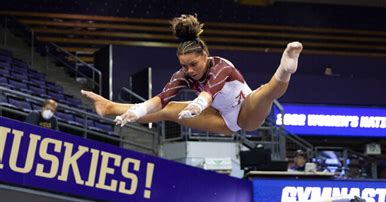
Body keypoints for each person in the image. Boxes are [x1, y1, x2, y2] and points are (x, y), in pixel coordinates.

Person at [81, 14, 303, 135]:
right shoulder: (182, 76)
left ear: (205, 55)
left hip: (246, 112)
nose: (189, 71)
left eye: (193, 64)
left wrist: (196, 106)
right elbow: (160, 99)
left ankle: (286, 66)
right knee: (167, 109)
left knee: (264, 92)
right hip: (223, 120)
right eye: (184, 66)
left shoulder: (221, 66)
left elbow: (208, 93)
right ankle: (108, 107)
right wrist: (137, 112)